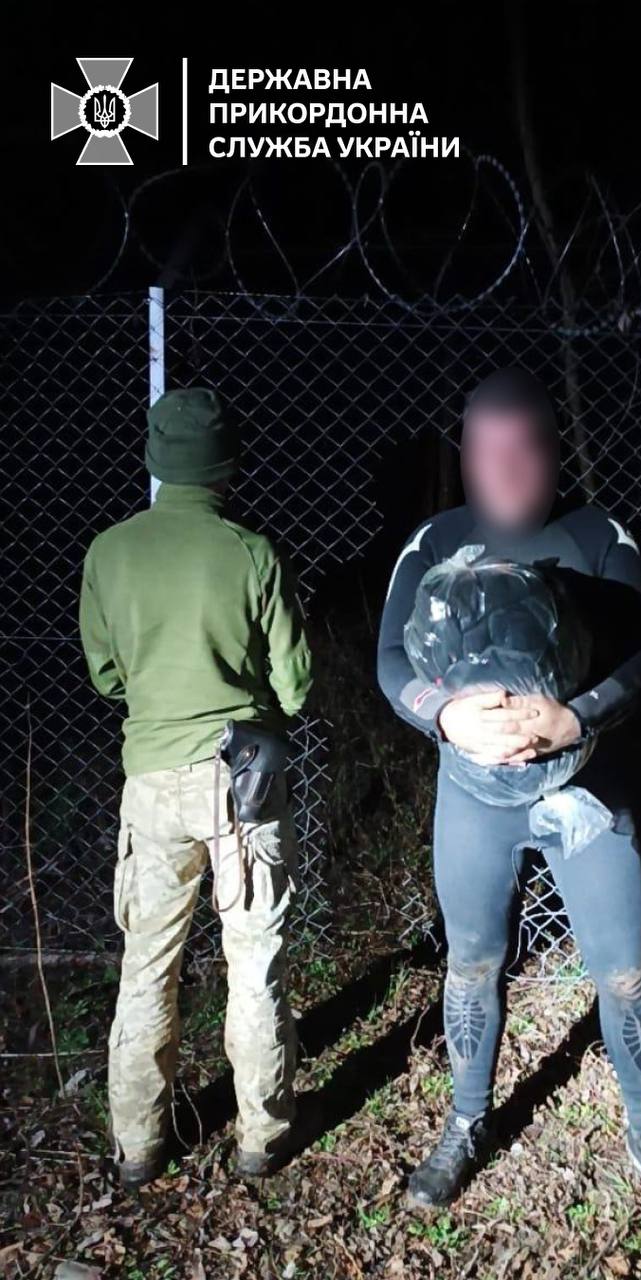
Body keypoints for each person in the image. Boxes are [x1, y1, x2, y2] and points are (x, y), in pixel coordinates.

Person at [377, 366, 641, 1233]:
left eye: (525, 450)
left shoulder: (600, 538)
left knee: (624, 970)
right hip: (474, 799)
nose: (507, 469)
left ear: (556, 453)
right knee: (472, 964)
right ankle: (466, 1122)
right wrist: (443, 713)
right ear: (464, 455)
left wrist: (576, 717)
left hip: (586, 793)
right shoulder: (435, 541)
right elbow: (389, 660)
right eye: (488, 451)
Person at [78, 387, 314, 1191]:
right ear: (227, 466)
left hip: (151, 781)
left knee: (147, 965)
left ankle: (139, 1145)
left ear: (154, 458)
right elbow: (296, 685)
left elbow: (106, 675)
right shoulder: (251, 553)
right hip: (241, 777)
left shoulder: (109, 553)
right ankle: (262, 1137)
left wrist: (160, 696)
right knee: (255, 959)